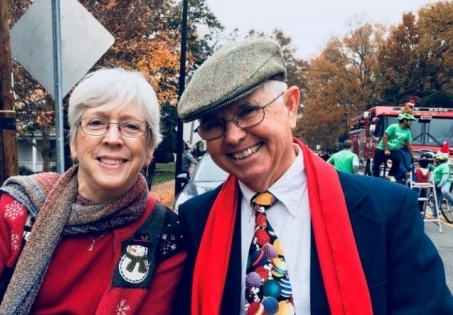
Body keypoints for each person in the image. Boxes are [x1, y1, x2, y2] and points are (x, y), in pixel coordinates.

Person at [172, 38, 452, 315]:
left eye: (248, 111)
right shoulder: (195, 219)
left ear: (291, 107)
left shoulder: (388, 209)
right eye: (212, 125)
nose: (233, 136)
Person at [0, 68, 186, 314]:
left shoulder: (165, 233)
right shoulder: (19, 209)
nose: (113, 138)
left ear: (149, 150)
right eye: (96, 123)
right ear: (73, 143)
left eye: (131, 126)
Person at [371, 101, 416, 178]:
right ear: (405, 120)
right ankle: (375, 177)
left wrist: (413, 157)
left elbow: (409, 145)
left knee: (397, 160)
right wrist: (386, 149)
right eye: (410, 120)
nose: (411, 122)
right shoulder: (393, 127)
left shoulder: (407, 132)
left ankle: (391, 176)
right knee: (376, 164)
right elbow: (385, 137)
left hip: (394, 149)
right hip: (382, 148)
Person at [433, 141, 453, 219]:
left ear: (439, 159)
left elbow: (445, 177)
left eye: (436, 159)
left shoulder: (444, 166)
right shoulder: (437, 166)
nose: (434, 160)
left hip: (445, 183)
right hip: (437, 184)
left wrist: (440, 185)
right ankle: (435, 214)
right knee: (436, 199)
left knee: (444, 191)